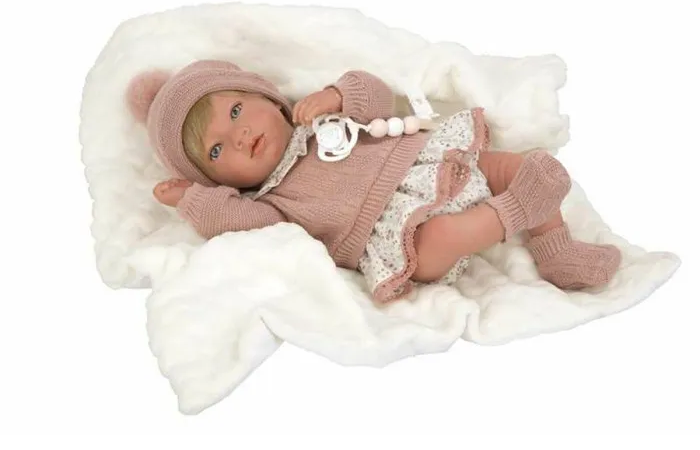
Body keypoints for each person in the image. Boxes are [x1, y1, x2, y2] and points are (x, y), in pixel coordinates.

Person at [126, 59, 621, 303]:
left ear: (266, 96)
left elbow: (377, 96)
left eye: (236, 111)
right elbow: (236, 223)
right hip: (398, 236)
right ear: (217, 180)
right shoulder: (271, 203)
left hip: (429, 165)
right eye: (216, 151)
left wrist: (336, 95)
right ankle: (516, 210)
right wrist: (192, 200)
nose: (239, 136)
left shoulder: (315, 120)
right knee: (439, 237)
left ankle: (556, 251)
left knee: (513, 166)